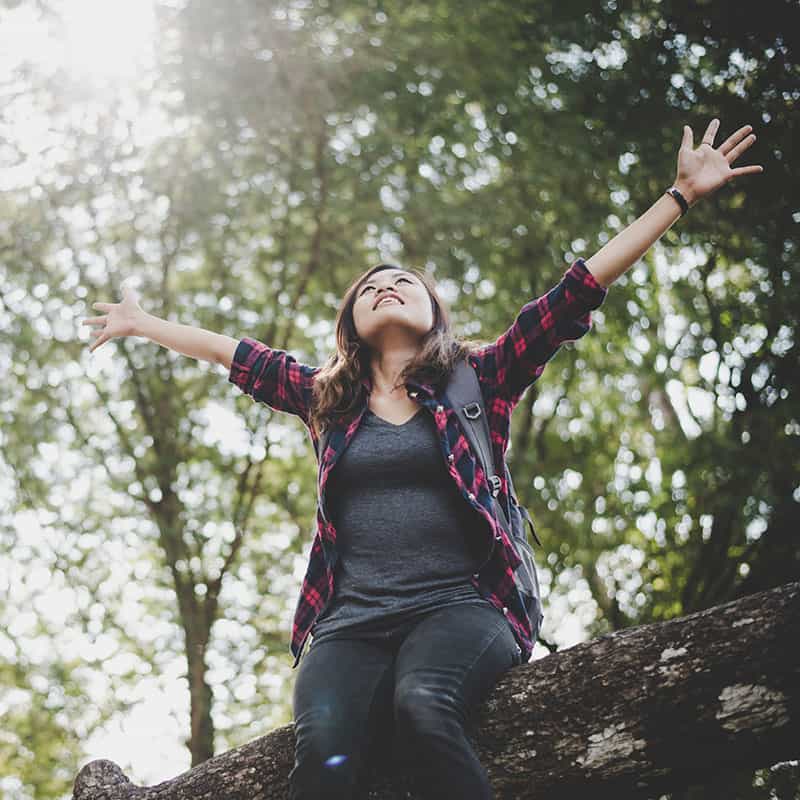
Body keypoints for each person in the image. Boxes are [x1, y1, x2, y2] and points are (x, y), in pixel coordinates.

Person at [82, 119, 761, 799]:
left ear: (433, 312)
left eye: (402, 282)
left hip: (463, 607)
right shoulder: (327, 399)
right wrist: (143, 325)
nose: (384, 287)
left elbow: (575, 292)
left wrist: (678, 196)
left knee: (425, 703)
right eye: (369, 288)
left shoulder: (480, 378)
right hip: (350, 623)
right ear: (351, 324)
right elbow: (239, 354)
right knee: (320, 750)